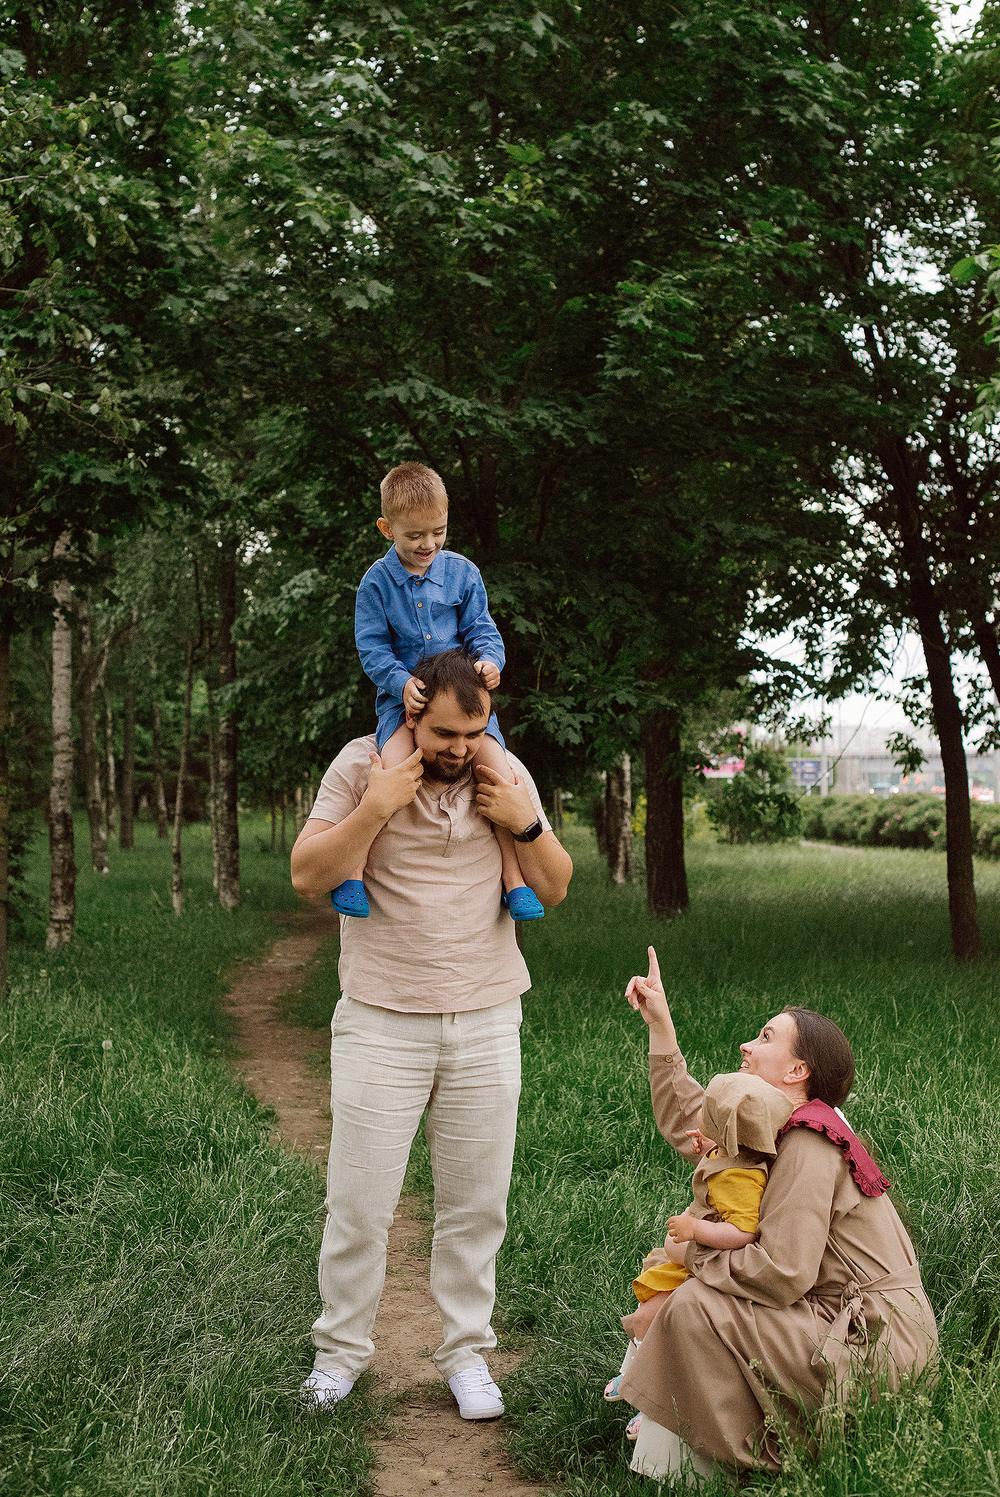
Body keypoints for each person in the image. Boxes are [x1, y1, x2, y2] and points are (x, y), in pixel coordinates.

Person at [290, 649, 572, 1422]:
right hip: (382, 1016)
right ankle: (338, 1355)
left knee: (477, 1205)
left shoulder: (503, 773)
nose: (457, 749)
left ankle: (466, 1354)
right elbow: (308, 875)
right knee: (359, 1204)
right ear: (412, 711)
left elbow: (554, 883)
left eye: (471, 732)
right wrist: (375, 805)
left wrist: (529, 821)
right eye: (443, 733)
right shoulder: (359, 765)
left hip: (487, 1016)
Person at [617, 947, 938, 1485]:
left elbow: (784, 1273)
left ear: (798, 1070)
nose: (745, 1044)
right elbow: (697, 1124)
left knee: (697, 1300)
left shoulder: (811, 1141)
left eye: (765, 1037)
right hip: (846, 1321)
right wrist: (661, 1030)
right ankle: (674, 1440)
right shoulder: (781, 1124)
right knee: (684, 1280)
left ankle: (700, 1467)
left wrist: (690, 1253)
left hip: (877, 1346)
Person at [330, 460, 543, 923]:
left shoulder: (464, 574)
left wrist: (490, 661)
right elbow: (372, 649)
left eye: (438, 532)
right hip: (405, 702)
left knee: (500, 778)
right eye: (414, 536)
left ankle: (515, 881)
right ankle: (353, 871)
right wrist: (401, 683)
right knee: (390, 773)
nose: (428, 544)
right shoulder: (374, 585)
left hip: (464, 706)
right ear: (387, 528)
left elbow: (482, 629)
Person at [603, 1072, 794, 1443]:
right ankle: (639, 1376)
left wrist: (696, 1233)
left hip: (711, 1266)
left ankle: (652, 1400)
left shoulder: (741, 1178)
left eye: (708, 1117)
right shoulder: (733, 1152)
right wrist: (707, 1144)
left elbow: (743, 1232)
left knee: (656, 1320)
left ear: (726, 1133)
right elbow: (721, 1152)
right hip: (696, 1259)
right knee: (650, 1313)